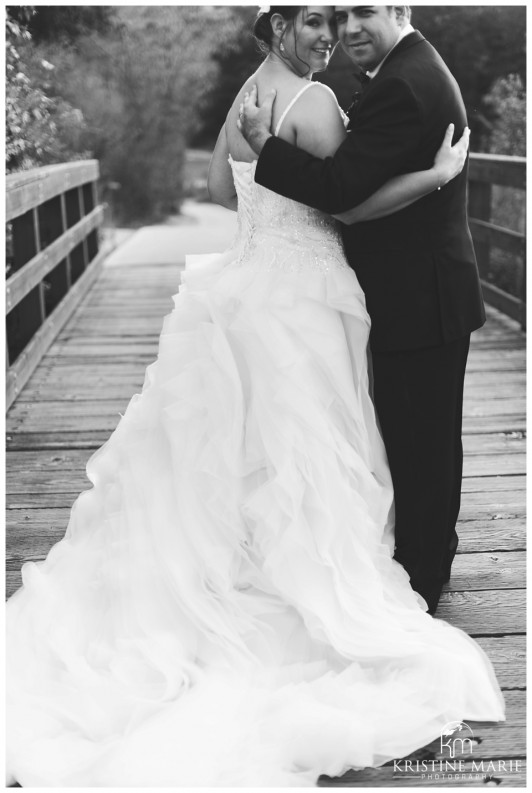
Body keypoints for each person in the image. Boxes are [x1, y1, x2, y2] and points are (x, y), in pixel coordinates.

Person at [6, 6, 504, 788]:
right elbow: (343, 199)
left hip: (249, 284)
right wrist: (439, 177)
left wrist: (270, 188)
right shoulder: (309, 103)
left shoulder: (250, 94)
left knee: (247, 449)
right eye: (312, 24)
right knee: (307, 445)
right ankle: (303, 582)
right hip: (303, 297)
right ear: (278, 28)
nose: (328, 38)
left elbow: (218, 183)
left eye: (333, 24)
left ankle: (243, 572)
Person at [240, 5, 486, 617]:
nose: (348, 29)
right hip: (416, 291)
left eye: (363, 13)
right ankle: (427, 562)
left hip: (420, 295)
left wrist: (265, 146)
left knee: (421, 443)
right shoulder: (402, 71)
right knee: (415, 439)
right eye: (339, 15)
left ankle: (424, 580)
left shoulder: (404, 83)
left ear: (401, 9)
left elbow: (342, 194)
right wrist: (434, 175)